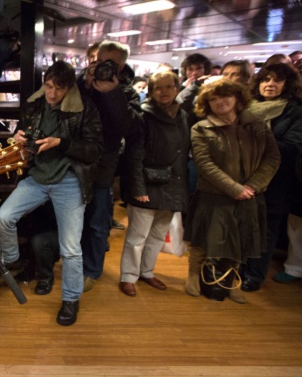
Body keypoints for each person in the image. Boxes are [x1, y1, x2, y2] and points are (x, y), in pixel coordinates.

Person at [0, 61, 103, 326]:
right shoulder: (36, 104)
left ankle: (70, 300)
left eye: (59, 88)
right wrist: (19, 137)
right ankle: (10, 259)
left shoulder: (84, 107)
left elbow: (94, 149)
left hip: (68, 180)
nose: (52, 93)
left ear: (70, 88)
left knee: (70, 249)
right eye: (49, 86)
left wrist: (61, 143)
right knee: (4, 216)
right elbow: (26, 136)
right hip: (38, 177)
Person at [184, 79, 280, 303]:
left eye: (225, 96)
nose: (220, 102)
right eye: (213, 99)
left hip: (250, 194)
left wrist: (252, 186)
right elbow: (204, 164)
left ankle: (229, 280)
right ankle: (192, 275)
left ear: (237, 98)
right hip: (214, 194)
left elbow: (272, 157)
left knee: (239, 239)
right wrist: (234, 188)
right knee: (203, 239)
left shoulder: (256, 124)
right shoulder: (201, 128)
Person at [119, 71, 190, 296]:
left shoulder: (182, 115)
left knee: (158, 234)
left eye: (169, 86)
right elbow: (134, 155)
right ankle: (128, 276)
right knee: (137, 236)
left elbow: (183, 152)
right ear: (150, 91)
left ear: (177, 89)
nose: (164, 91)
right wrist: (138, 189)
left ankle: (147, 271)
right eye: (159, 87)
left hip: (172, 185)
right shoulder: (143, 116)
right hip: (147, 184)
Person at [77, 40, 140, 292]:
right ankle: (76, 263)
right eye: (100, 60)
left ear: (121, 65)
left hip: (104, 166)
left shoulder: (128, 92)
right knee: (76, 219)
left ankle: (92, 270)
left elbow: (131, 129)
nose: (103, 66)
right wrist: (86, 86)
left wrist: (111, 93)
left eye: (110, 63)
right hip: (77, 162)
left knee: (97, 221)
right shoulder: (82, 82)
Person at [240, 63, 302, 291]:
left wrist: (256, 140)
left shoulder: (295, 110)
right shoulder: (248, 107)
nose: (270, 84)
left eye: (277, 80)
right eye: (266, 79)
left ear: (287, 84)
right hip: (243, 176)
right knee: (242, 224)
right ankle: (238, 267)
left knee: (266, 229)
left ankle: (254, 275)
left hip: (276, 181)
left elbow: (293, 147)